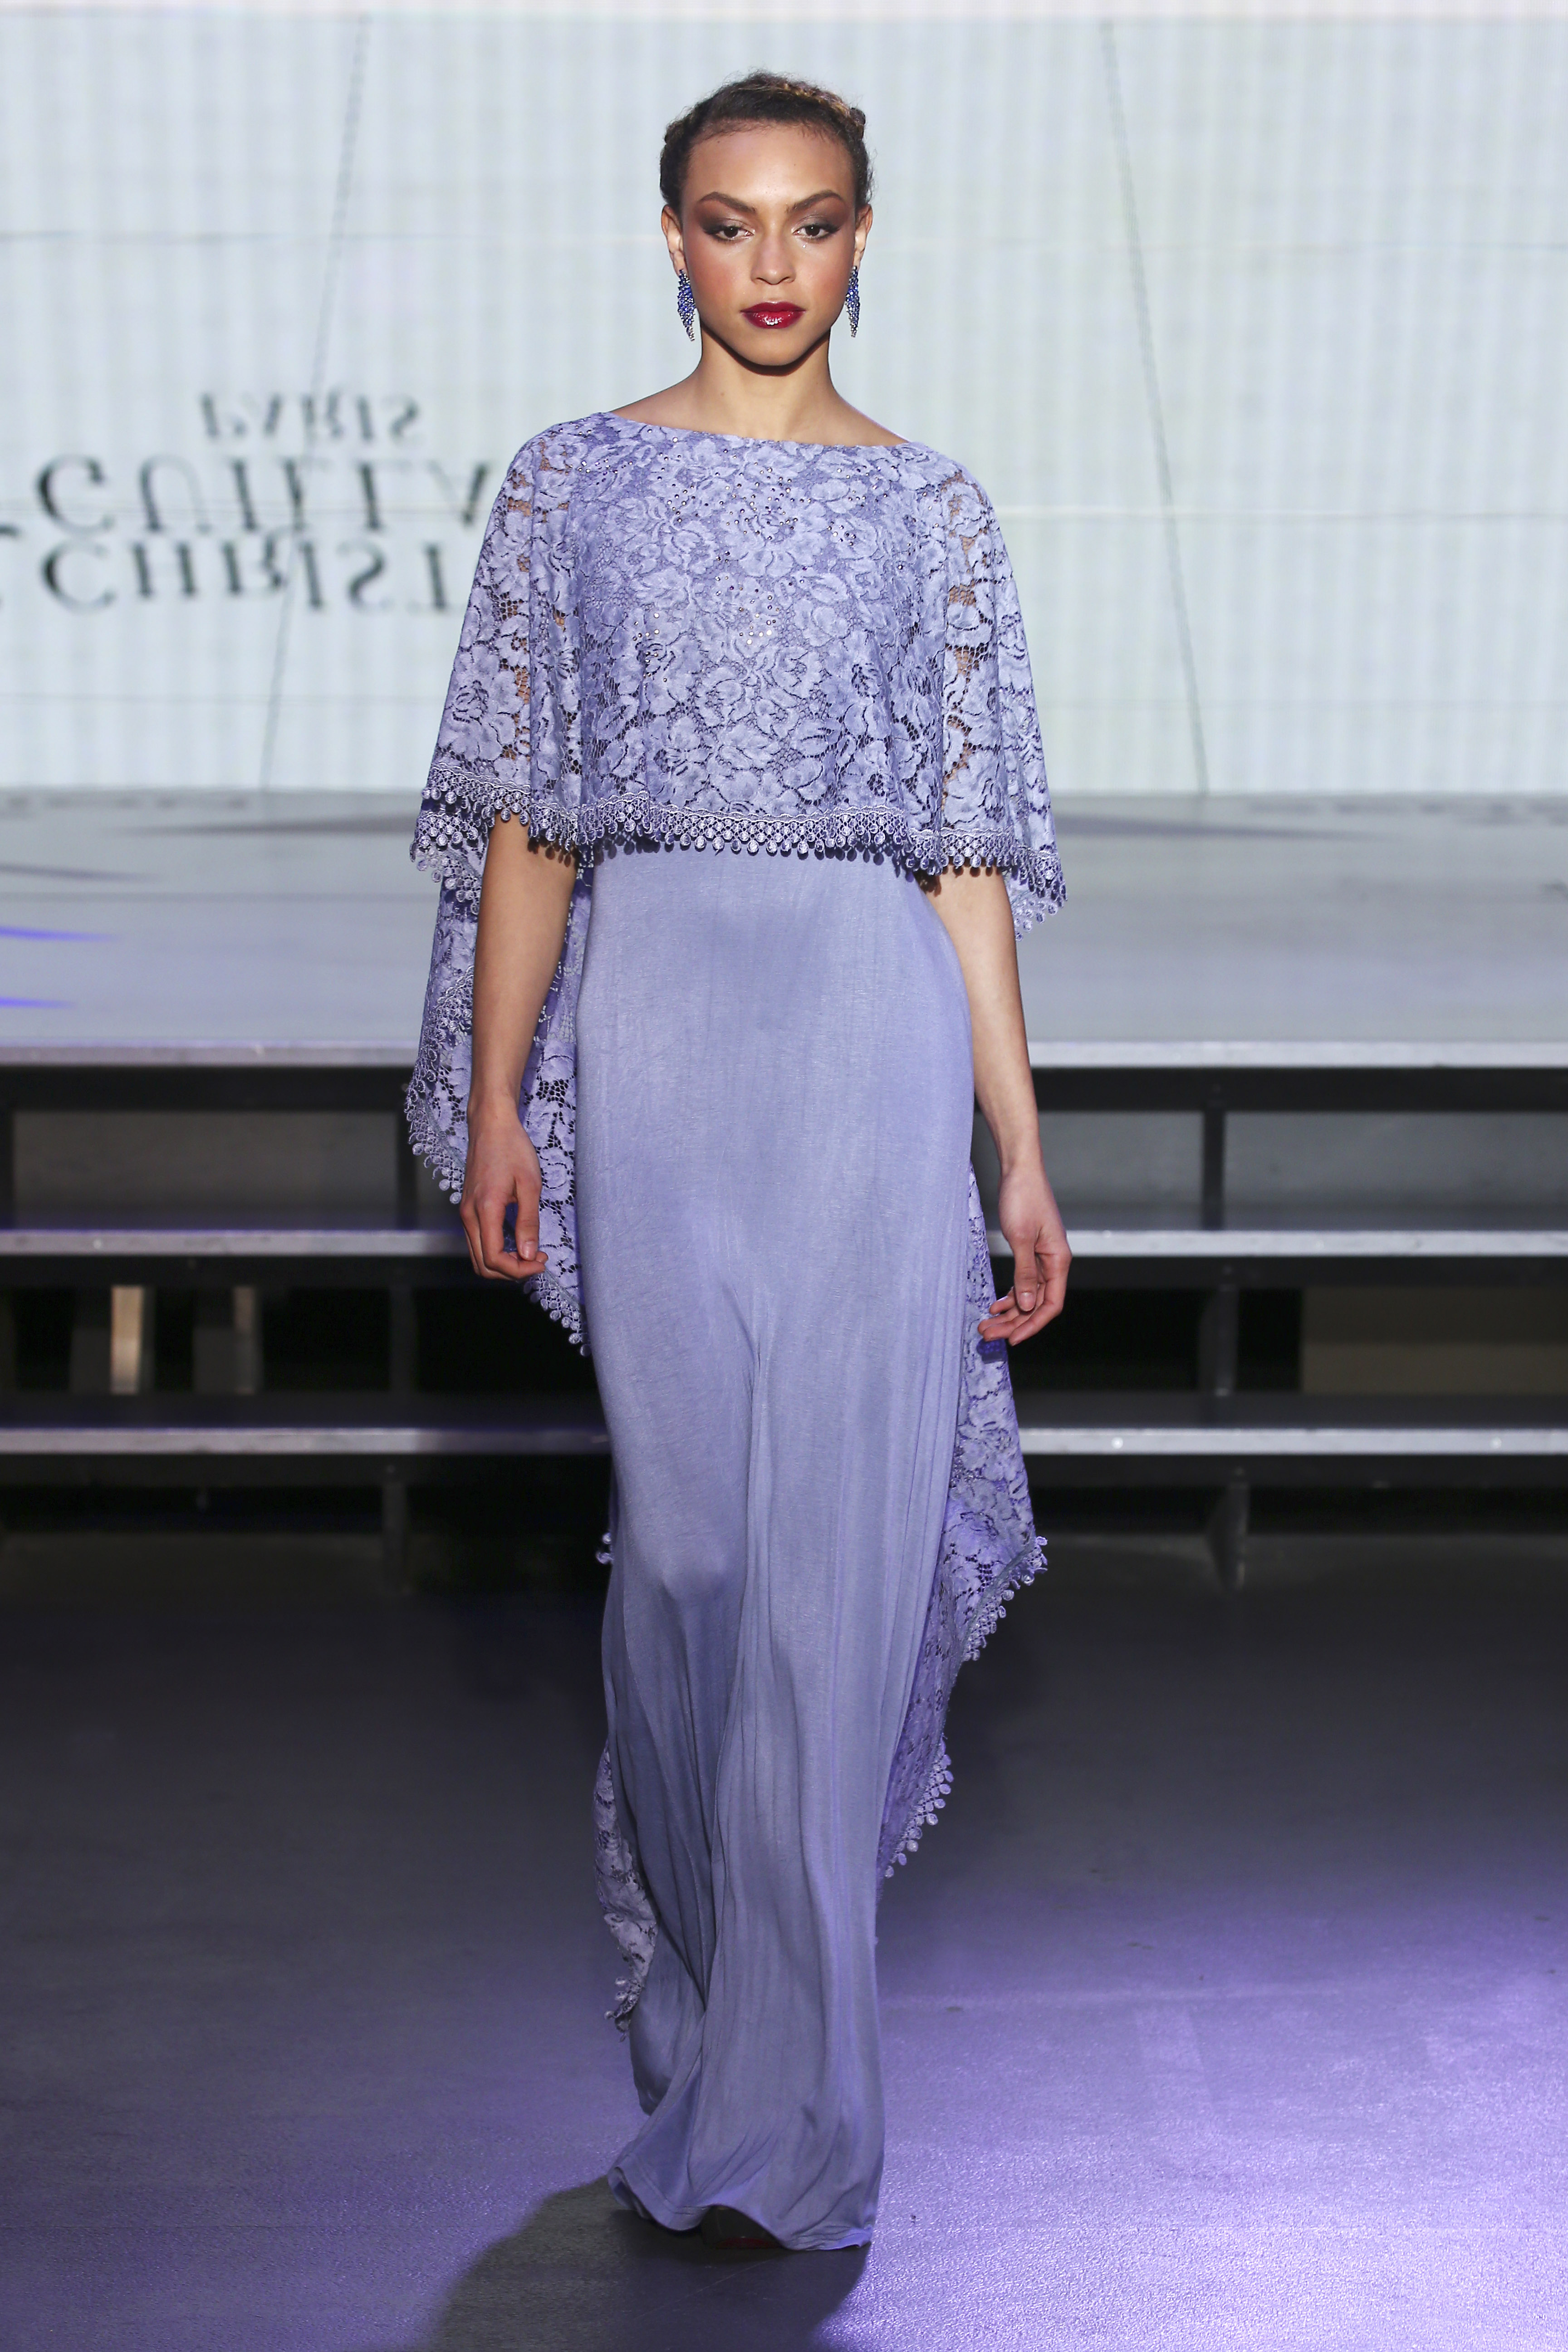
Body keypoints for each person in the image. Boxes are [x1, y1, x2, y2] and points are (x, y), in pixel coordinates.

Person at [407, 71, 1070, 2254]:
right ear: (671, 236)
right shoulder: (570, 486)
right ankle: (707, 2015)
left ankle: (805, 2112)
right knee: (688, 1577)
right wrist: (500, 1100)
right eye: (730, 219)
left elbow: (963, 862)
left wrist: (1019, 1147)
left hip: (867, 1044)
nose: (772, 262)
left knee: (831, 1594)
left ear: (866, 240)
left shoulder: (934, 513)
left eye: (812, 220)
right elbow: (529, 824)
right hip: (665, 1048)